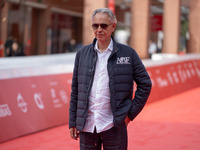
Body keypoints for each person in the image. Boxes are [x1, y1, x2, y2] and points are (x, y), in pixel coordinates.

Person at [69, 8, 152, 150]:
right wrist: (73, 121)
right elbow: (76, 89)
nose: (99, 29)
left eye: (104, 25)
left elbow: (145, 84)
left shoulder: (128, 53)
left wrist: (129, 115)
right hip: (87, 126)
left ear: (113, 26)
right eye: (95, 25)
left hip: (114, 126)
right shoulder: (82, 54)